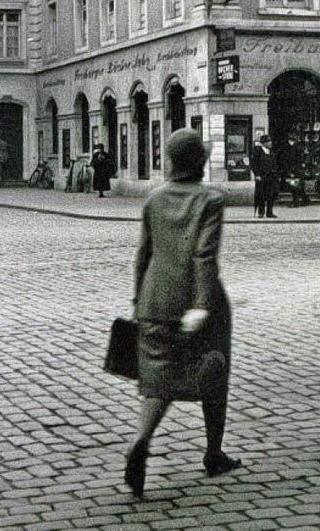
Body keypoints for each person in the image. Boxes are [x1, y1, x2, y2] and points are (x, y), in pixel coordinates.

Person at [125, 129, 241, 499]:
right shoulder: (211, 199)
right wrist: (202, 306)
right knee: (215, 367)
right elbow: (203, 256)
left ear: (171, 161)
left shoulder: (154, 197)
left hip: (154, 300)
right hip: (197, 301)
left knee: (158, 377)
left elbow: (143, 254)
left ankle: (142, 441)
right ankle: (213, 452)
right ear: (201, 162)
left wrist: (136, 301)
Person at [250, 134, 278, 218]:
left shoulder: (271, 152)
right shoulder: (258, 152)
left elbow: (274, 164)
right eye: (268, 142)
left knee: (271, 195)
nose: (270, 143)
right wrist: (257, 174)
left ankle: (269, 212)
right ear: (264, 143)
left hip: (271, 177)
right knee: (261, 194)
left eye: (270, 141)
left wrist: (275, 172)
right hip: (262, 176)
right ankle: (261, 212)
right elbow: (254, 164)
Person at [279, 132, 309, 208]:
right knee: (296, 186)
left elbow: (288, 160)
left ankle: (297, 202)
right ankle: (304, 200)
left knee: (295, 186)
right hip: (294, 169)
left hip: (295, 169)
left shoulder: (294, 147)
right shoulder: (295, 147)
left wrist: (291, 170)